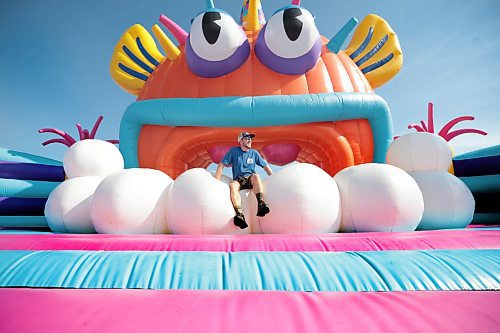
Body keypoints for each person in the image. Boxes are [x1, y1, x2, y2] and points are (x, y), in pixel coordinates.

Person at [215, 132, 273, 229]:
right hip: (238, 180)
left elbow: (265, 166)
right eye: (247, 138)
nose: (250, 140)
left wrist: (273, 177)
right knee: (233, 185)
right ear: (241, 141)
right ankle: (239, 214)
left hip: (250, 178)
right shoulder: (233, 151)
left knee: (256, 176)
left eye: (251, 138)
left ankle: (261, 204)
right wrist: (215, 182)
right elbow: (221, 164)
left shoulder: (254, 153)